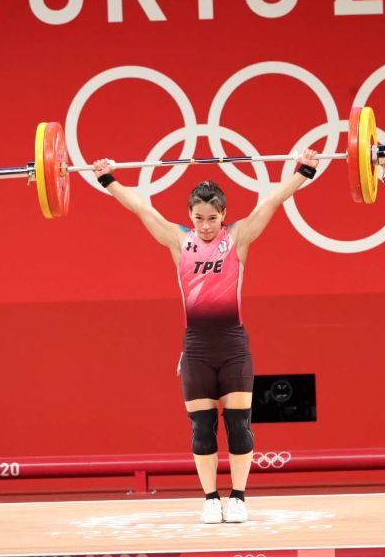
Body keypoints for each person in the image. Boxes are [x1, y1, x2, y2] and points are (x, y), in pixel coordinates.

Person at [92, 149, 319, 523]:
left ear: (224, 216)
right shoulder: (179, 241)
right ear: (189, 216)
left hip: (233, 347)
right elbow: (141, 209)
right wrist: (108, 179)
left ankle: (239, 498)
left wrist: (304, 170)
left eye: (212, 219)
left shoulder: (238, 237)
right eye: (198, 218)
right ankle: (211, 498)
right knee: (202, 428)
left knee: (240, 427)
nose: (206, 225)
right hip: (196, 350)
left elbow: (273, 201)